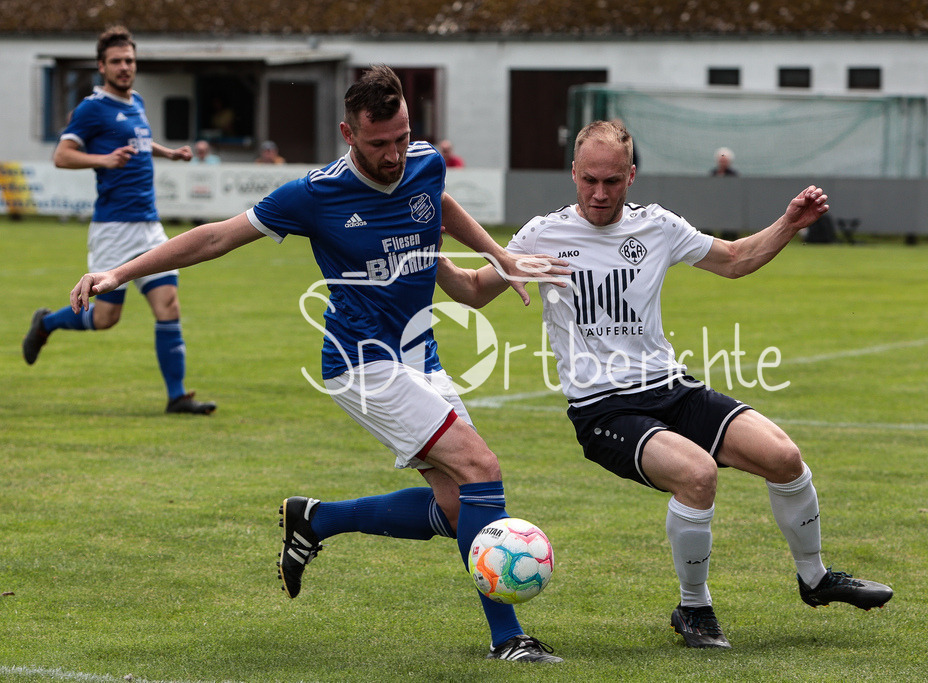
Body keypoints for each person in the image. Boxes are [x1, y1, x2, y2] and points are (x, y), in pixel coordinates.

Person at [70, 65, 565, 663]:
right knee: (482, 468)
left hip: (422, 357)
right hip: (362, 363)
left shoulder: (424, 162)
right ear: (348, 133)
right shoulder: (313, 194)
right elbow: (216, 237)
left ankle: (317, 520)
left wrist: (496, 253)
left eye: (403, 138)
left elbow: (436, 201)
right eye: (379, 143)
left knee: (459, 506)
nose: (394, 155)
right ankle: (508, 639)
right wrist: (119, 272)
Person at [435, 120, 893, 649]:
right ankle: (694, 608)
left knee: (785, 457)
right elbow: (474, 291)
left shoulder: (657, 226)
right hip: (603, 408)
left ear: (630, 176)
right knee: (697, 475)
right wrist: (434, 257)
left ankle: (815, 577)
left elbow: (735, 260)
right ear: (574, 173)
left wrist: (789, 223)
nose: (599, 193)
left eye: (612, 181)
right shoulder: (543, 234)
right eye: (589, 180)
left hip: (671, 387)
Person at [22, 25, 215, 415]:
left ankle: (177, 397)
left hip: (149, 225)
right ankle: (47, 323)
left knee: (168, 304)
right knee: (106, 317)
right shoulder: (92, 108)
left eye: (129, 60)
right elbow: (62, 155)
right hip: (114, 228)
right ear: (102, 66)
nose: (124, 67)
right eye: (116, 61)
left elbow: (137, 141)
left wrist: (168, 153)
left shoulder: (136, 101)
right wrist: (104, 160)